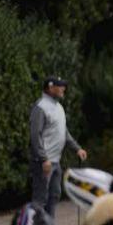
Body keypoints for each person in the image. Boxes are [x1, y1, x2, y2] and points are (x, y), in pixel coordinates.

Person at [29, 76, 87, 217]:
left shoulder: (59, 107)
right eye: (60, 85)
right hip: (44, 163)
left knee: (54, 195)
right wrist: (43, 158)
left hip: (55, 162)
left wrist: (77, 148)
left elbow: (63, 132)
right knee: (40, 199)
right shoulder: (40, 107)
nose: (63, 88)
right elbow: (35, 135)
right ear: (50, 87)